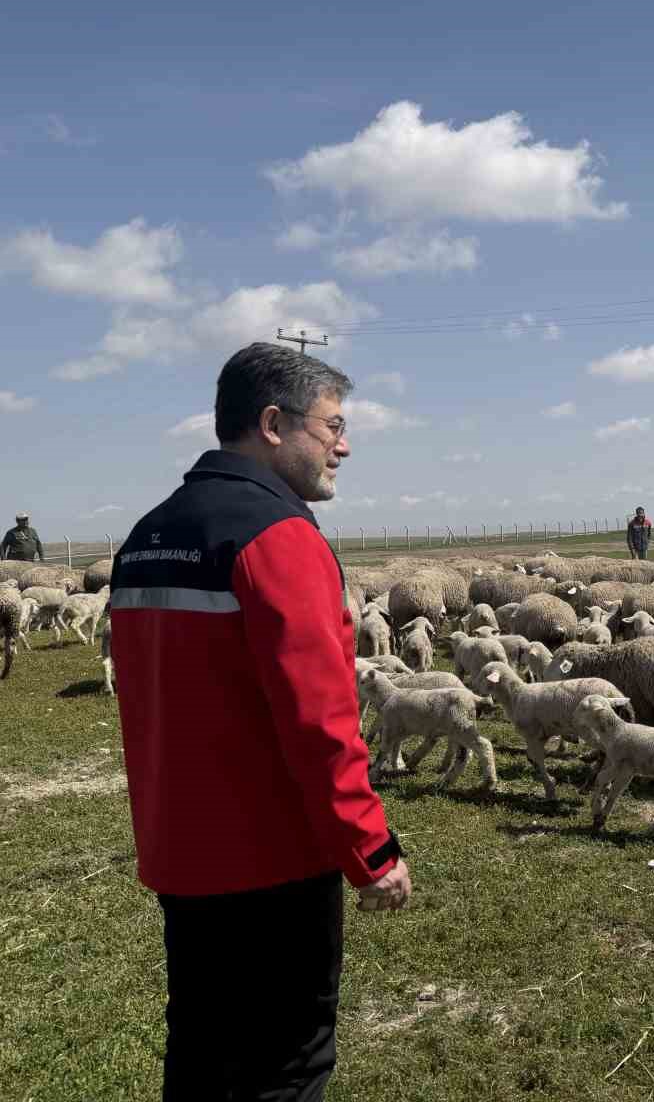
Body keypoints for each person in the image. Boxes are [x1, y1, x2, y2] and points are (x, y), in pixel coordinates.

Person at [109, 342, 410, 1101]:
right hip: (270, 864)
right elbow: (321, 722)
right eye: (332, 425)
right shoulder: (278, 538)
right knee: (285, 1065)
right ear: (273, 423)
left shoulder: (146, 536)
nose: (344, 444)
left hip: (181, 850)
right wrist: (371, 850)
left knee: (205, 1053)